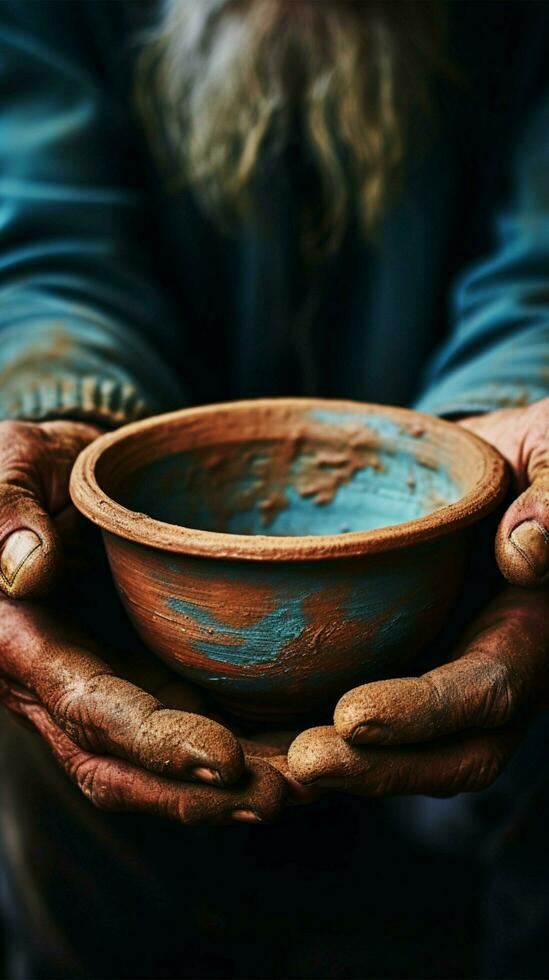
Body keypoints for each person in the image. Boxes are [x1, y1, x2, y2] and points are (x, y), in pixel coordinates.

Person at [0, 1, 547, 977]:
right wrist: (53, 411)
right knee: (25, 669)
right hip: (128, 579)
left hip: (466, 553)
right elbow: (47, 240)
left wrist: (519, 416)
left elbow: (539, 270)